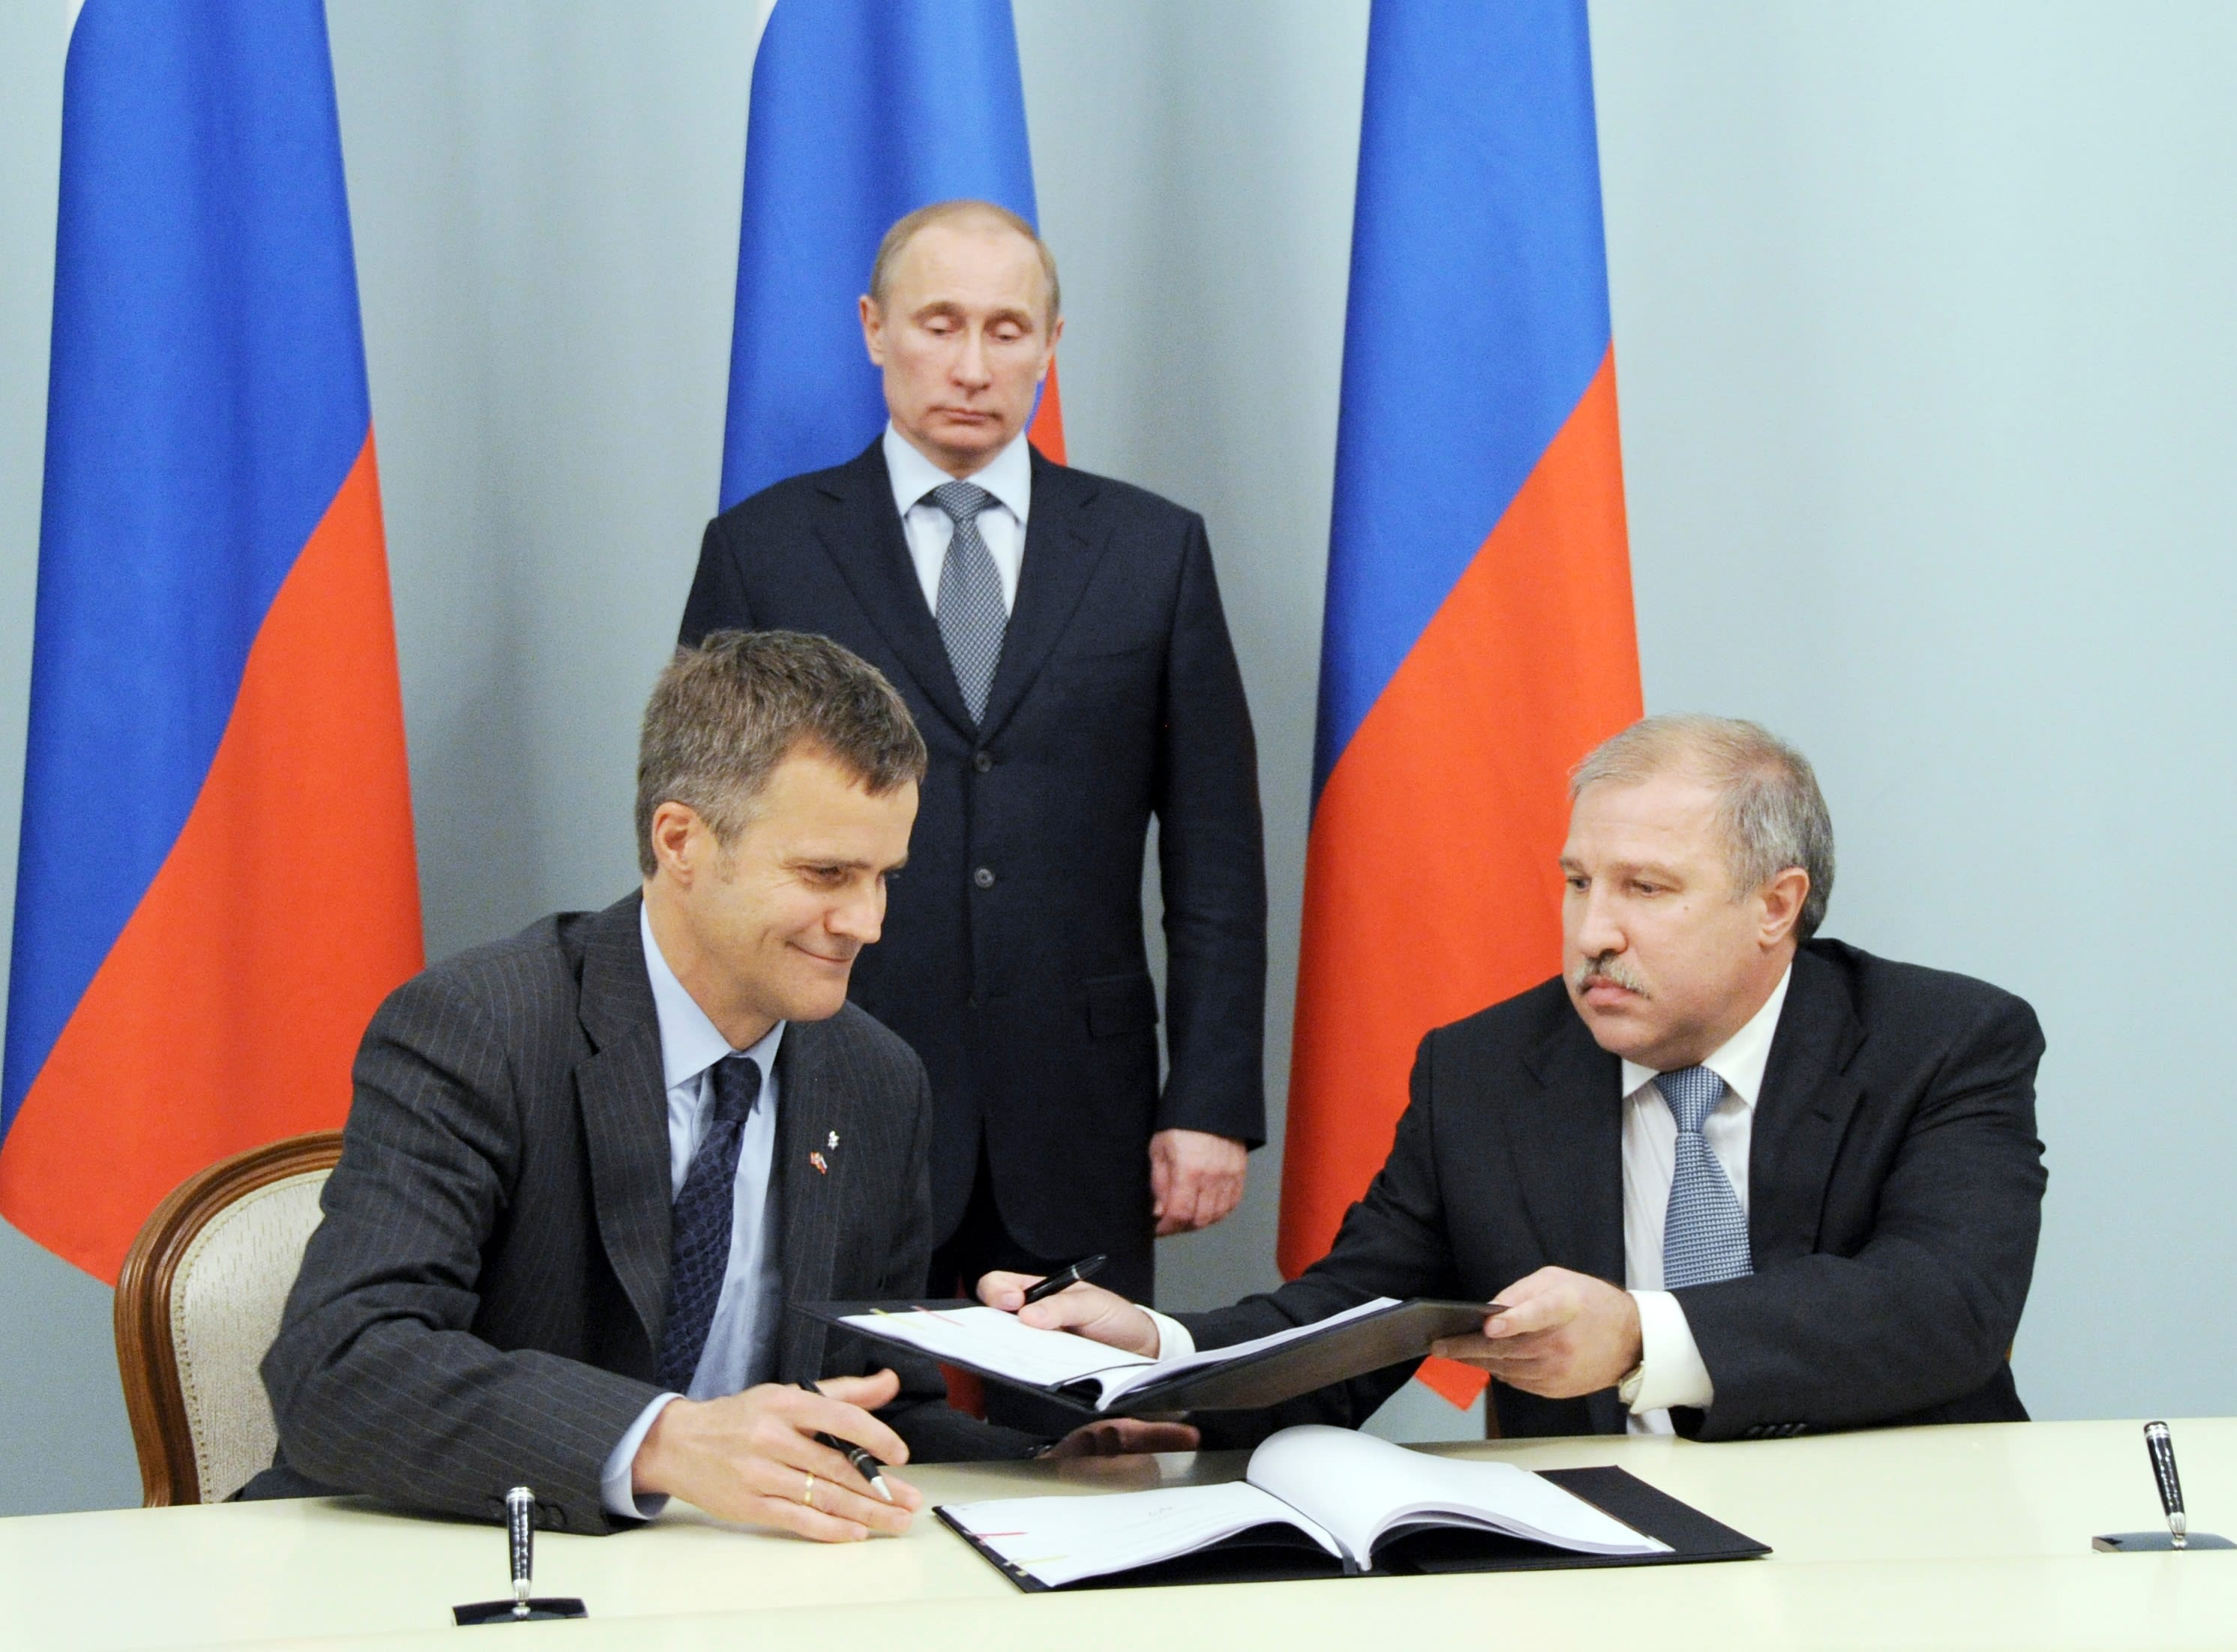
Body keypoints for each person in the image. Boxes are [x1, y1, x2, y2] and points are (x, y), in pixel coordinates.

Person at [253, 630, 1190, 1537]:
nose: (866, 921)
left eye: (884, 877)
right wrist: (662, 1441)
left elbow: (878, 1405)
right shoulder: (481, 1026)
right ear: (680, 841)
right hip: (456, 1558)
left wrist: (1040, 1462)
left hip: (735, 1580)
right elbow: (338, 1366)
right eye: (825, 872)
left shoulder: (875, 1080)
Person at [985, 715, 2049, 1444]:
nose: (1593, 933)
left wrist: (1639, 1335)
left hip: (1894, 1537)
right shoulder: (1485, 1071)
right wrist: (1162, 1349)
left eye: (1645, 889)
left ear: (1776, 905)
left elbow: (1944, 1303)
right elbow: (1356, 1313)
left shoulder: (1941, 1042)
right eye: (1578, 883)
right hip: (1597, 1564)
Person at [679, 200, 1266, 1307]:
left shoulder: (1152, 551)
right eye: (939, 323)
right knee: (845, 1407)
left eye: (1005, 330)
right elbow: (701, 848)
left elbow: (1217, 860)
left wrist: (1210, 1099)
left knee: (1084, 1412)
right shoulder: (764, 551)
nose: (970, 365)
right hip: (828, 1089)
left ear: (1050, 344)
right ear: (873, 328)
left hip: (1081, 1106)